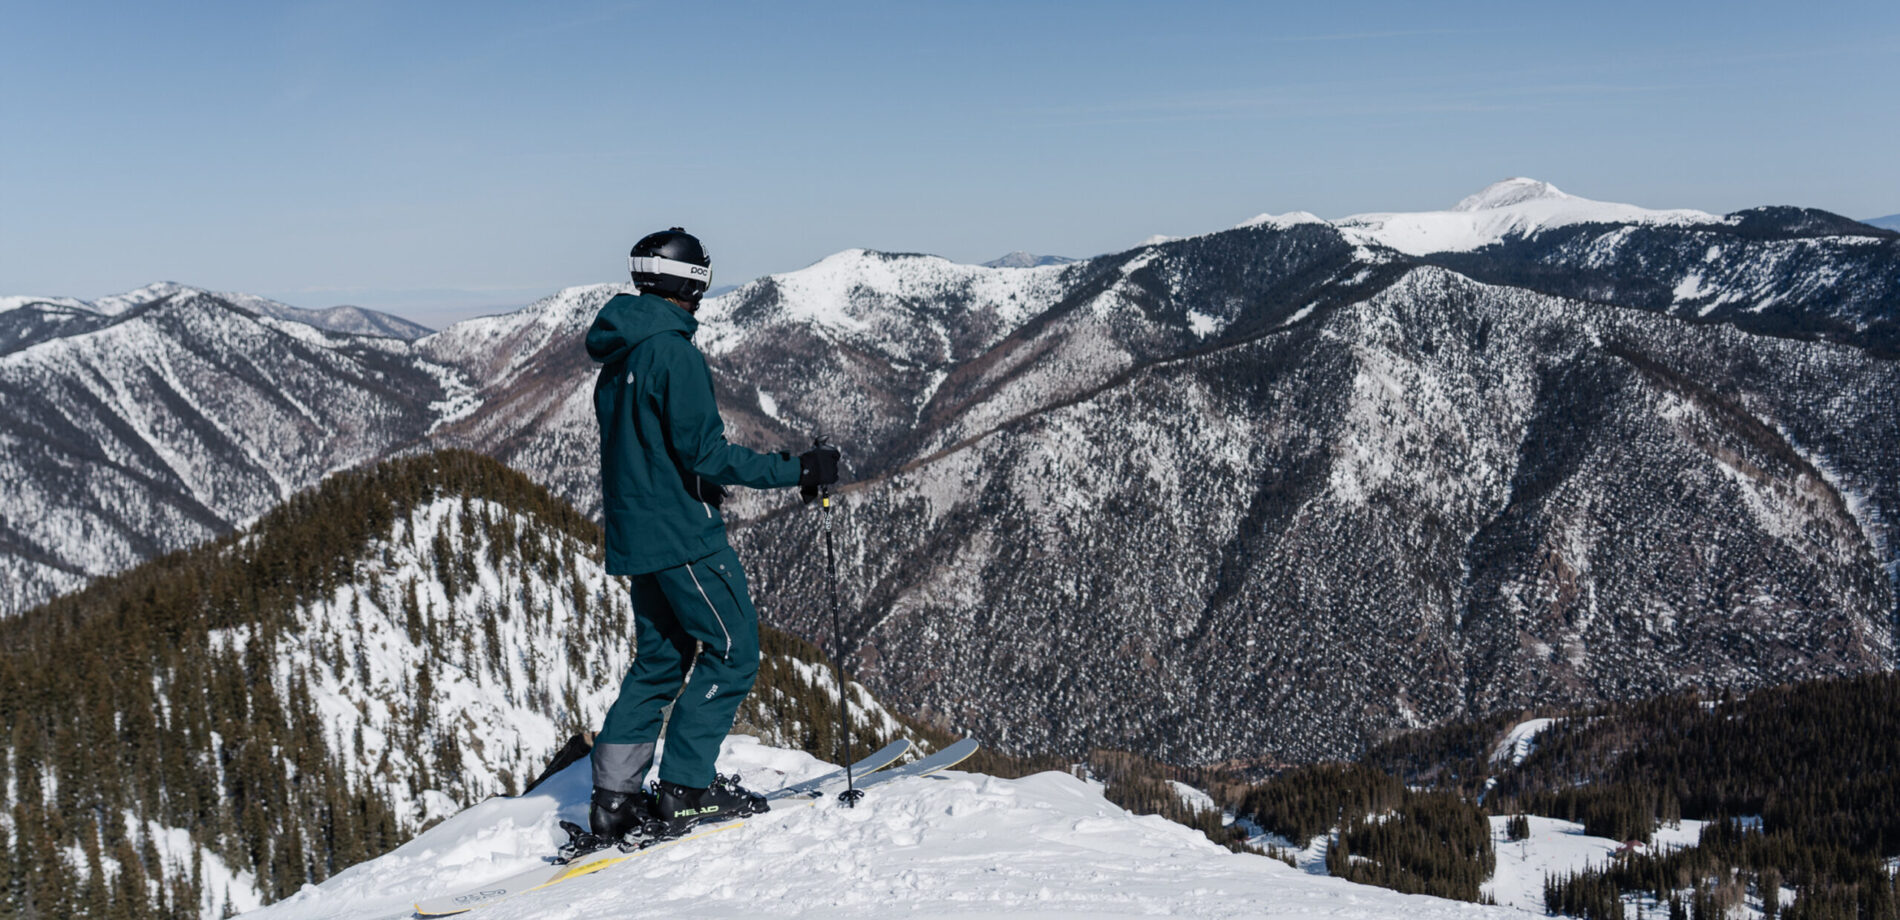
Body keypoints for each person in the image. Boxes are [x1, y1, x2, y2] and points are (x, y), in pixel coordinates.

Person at [582, 227, 840, 842]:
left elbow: (643, 454)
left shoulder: (619, 353)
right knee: (734, 651)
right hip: (685, 539)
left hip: (637, 538)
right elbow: (705, 454)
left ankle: (614, 799)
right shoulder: (673, 353)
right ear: (691, 283)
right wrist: (797, 469)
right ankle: (686, 789)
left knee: (659, 662)